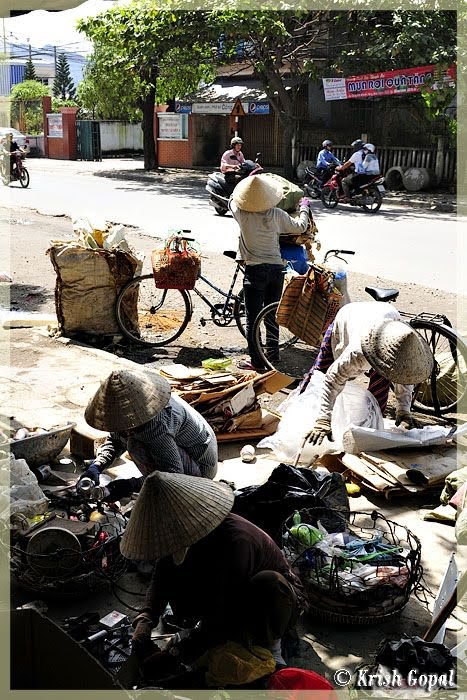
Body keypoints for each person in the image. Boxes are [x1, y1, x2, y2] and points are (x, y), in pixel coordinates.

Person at [122, 470, 305, 665]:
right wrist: (147, 616)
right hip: (228, 591)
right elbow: (163, 572)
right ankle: (206, 634)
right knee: (179, 573)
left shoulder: (236, 542)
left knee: (268, 583)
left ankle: (273, 648)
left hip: (274, 602)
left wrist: (177, 652)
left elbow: (225, 611)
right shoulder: (184, 534)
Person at [300, 301, 434, 445]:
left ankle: (370, 432)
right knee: (319, 373)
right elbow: (332, 379)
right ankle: (299, 408)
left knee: (379, 395)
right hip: (347, 319)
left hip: (382, 317)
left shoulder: (403, 345)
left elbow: (405, 377)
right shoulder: (357, 353)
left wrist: (403, 410)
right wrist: (323, 419)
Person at [78, 369, 218, 500]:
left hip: (201, 468)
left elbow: (173, 474)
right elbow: (115, 440)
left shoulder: (156, 425)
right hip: (183, 452)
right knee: (131, 439)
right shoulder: (123, 414)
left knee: (135, 446)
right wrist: (97, 466)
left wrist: (129, 486)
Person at [229, 176, 311, 370]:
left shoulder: (241, 213)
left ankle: (257, 362)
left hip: (255, 270)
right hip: (276, 269)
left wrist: (244, 189)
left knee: (252, 318)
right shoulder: (277, 214)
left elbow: (232, 200)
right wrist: (304, 207)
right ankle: (273, 355)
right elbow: (301, 227)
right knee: (271, 314)